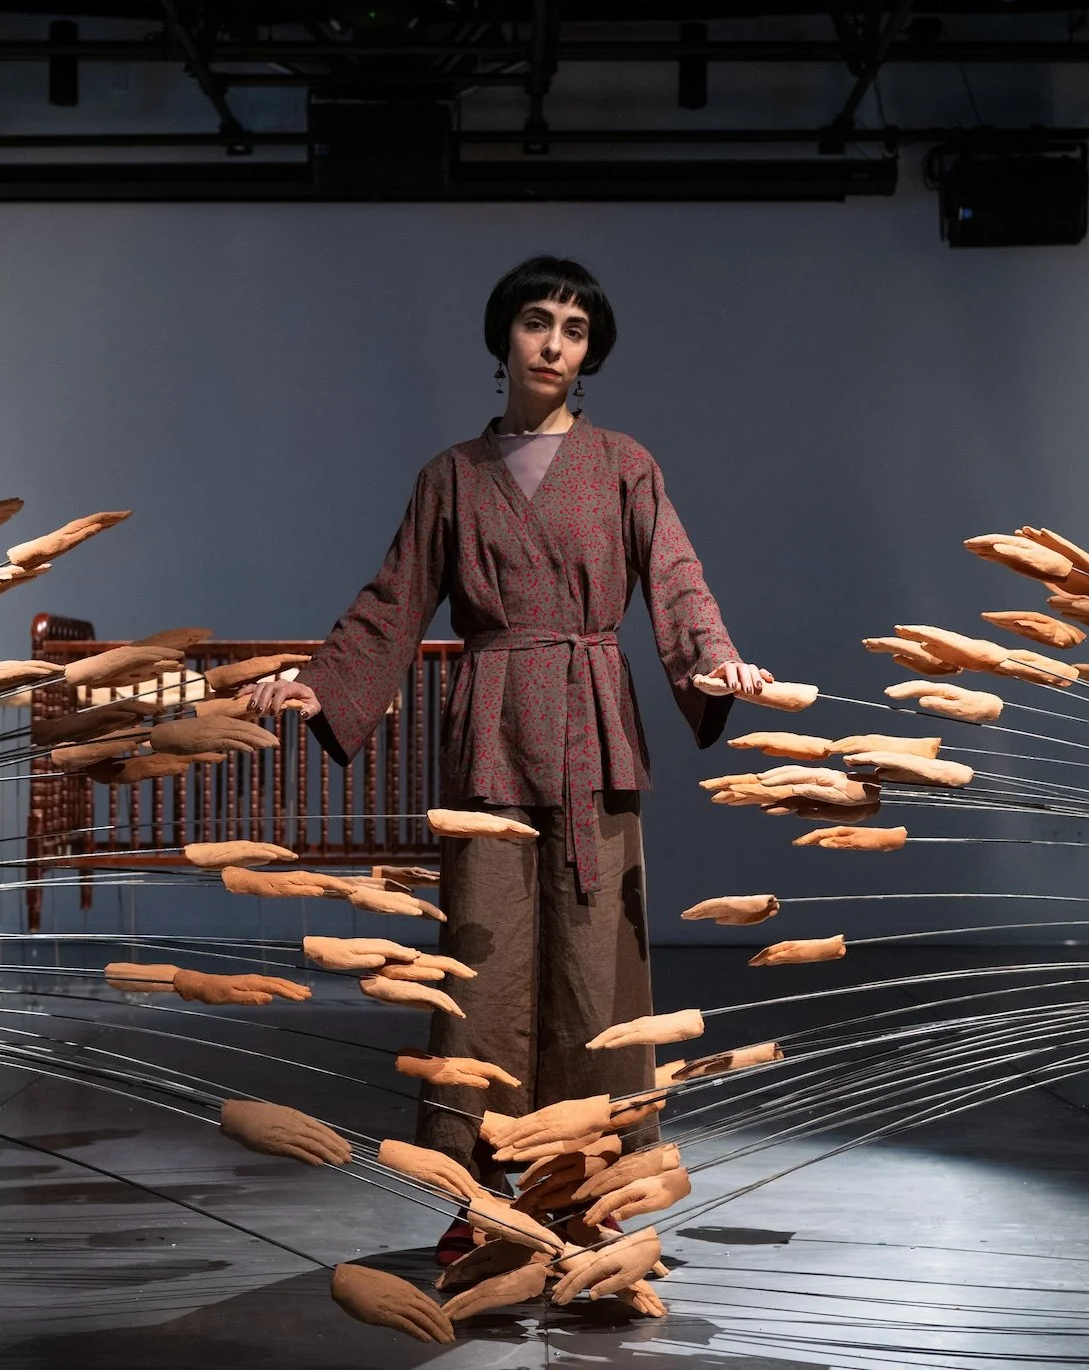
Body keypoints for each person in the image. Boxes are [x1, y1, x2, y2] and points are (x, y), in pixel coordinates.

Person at [244, 255, 768, 1263]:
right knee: (480, 964)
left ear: (588, 355)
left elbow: (677, 579)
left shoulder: (624, 464)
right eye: (538, 322)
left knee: (597, 968)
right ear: (505, 339)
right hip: (489, 732)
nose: (554, 343)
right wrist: (322, 682)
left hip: (590, 728)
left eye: (574, 330)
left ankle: (589, 1188)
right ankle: (475, 1189)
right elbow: (393, 599)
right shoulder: (450, 475)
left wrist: (719, 661)